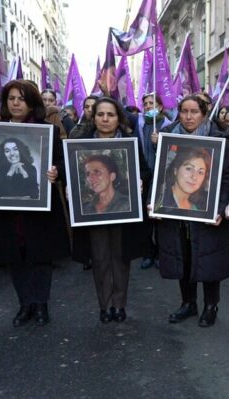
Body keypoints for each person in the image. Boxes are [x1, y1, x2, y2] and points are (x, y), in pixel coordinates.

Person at [0, 80, 70, 327]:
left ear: (31, 103)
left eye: (21, 99)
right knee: (15, 256)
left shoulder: (48, 131)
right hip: (6, 210)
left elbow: (62, 164)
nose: (15, 103)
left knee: (40, 257)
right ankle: (25, 304)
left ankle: (41, 304)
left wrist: (56, 172)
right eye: (11, 98)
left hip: (40, 209)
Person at [70, 97, 151, 324]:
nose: (105, 119)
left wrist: (141, 182)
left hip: (123, 211)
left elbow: (144, 171)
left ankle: (119, 304)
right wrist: (70, 185)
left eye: (111, 115)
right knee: (99, 258)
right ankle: (104, 306)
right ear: (93, 117)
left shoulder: (130, 142)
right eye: (100, 114)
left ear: (119, 118)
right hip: (93, 214)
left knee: (120, 258)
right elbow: (74, 174)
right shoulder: (81, 143)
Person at [158, 95, 229, 327]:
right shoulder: (168, 137)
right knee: (184, 257)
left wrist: (220, 207)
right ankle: (188, 303)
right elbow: (161, 174)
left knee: (209, 258)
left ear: (204, 114)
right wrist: (158, 201)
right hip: (178, 210)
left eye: (194, 112)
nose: (189, 117)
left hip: (209, 211)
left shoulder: (221, 140)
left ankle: (211, 305)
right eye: (184, 111)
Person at [137, 94, 173, 270]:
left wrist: (160, 143)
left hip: (162, 177)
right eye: (145, 104)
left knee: (159, 217)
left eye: (152, 103)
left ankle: (160, 253)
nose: (148, 106)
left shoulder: (168, 126)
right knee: (144, 218)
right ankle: (147, 252)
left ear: (160, 107)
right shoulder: (140, 124)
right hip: (144, 176)